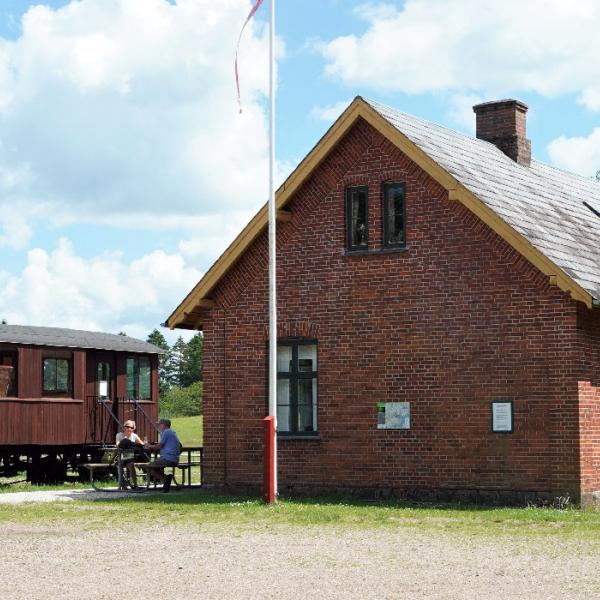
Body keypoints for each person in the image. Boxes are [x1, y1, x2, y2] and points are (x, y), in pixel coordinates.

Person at [146, 418, 181, 493]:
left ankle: (165, 479)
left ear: (164, 425)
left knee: (148, 467)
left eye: (160, 424)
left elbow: (160, 446)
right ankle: (166, 482)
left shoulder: (166, 432)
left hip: (168, 459)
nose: (158, 426)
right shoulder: (171, 432)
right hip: (173, 459)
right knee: (156, 467)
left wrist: (149, 446)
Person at [115, 420, 145, 488]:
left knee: (130, 463)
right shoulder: (119, 435)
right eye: (127, 427)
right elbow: (117, 445)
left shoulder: (134, 436)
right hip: (120, 456)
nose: (129, 429)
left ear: (133, 429)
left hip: (131, 457)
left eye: (131, 427)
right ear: (124, 427)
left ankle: (135, 484)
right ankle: (128, 484)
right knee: (126, 441)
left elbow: (142, 444)